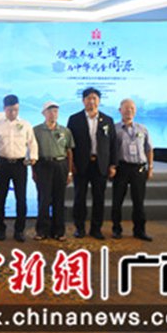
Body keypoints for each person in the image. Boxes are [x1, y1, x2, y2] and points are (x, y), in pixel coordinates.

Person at [67, 87, 119, 240]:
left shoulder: (107, 120)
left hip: (100, 165)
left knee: (99, 198)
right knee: (79, 198)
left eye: (94, 98)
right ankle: (80, 228)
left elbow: (113, 144)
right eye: (88, 98)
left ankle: (96, 229)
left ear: (99, 101)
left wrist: (113, 165)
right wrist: (71, 164)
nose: (91, 101)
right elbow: (69, 145)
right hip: (81, 165)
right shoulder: (74, 119)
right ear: (83, 101)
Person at [0, 94, 38, 242]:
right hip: (2, 163)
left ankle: (19, 230)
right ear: (4, 109)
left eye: (16, 110)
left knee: (21, 198)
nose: (13, 113)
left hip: (20, 165)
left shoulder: (25, 124)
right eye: (10, 110)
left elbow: (32, 142)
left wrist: (33, 157)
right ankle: (1, 229)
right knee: (0, 198)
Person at [112, 99, 154, 241]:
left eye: (131, 108)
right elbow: (111, 150)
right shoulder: (114, 129)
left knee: (139, 201)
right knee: (117, 200)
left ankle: (139, 230)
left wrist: (150, 167)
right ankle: (116, 229)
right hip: (121, 168)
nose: (129, 111)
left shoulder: (143, 129)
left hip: (138, 168)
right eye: (126, 108)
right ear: (120, 110)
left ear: (135, 111)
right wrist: (112, 167)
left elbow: (149, 149)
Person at [32, 101, 75, 241]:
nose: (53, 114)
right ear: (43, 113)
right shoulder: (36, 131)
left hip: (61, 165)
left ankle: (59, 231)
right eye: (49, 111)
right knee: (43, 199)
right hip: (43, 165)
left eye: (55, 111)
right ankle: (42, 231)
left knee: (59, 199)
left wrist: (69, 171)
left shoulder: (65, 131)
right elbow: (32, 152)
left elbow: (69, 152)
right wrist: (33, 171)